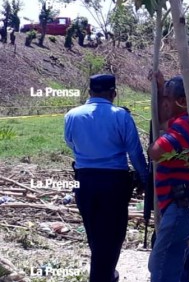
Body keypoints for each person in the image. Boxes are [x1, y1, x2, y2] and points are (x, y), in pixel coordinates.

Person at [64, 74, 148, 282]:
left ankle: (106, 274)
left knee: (94, 233)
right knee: (113, 235)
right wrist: (145, 180)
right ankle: (103, 276)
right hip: (114, 183)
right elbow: (135, 153)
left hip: (84, 181)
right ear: (113, 93)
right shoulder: (121, 116)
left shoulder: (72, 115)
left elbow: (70, 143)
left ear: (90, 92)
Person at [147, 73, 189, 282]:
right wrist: (159, 89)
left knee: (163, 265)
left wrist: (153, 144)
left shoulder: (186, 125)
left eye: (167, 98)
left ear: (182, 101)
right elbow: (163, 121)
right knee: (188, 264)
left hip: (183, 205)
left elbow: (156, 152)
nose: (164, 103)